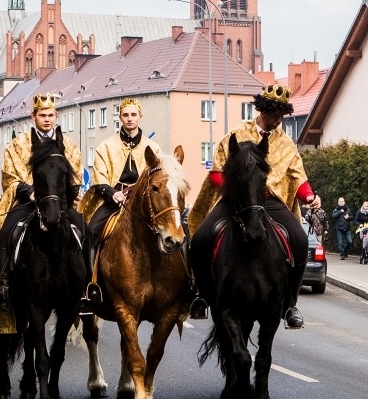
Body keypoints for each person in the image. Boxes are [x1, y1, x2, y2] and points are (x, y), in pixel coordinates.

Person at [188, 84, 321, 329]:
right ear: (262, 110)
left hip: (270, 201)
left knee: (300, 240)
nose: (277, 121)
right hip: (237, 199)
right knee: (200, 239)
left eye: (281, 117)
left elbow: (298, 177)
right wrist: (236, 184)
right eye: (273, 116)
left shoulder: (287, 143)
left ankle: (290, 304)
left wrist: (309, 196)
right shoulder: (237, 134)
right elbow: (217, 172)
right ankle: (202, 296)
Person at [78, 97, 207, 316]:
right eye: (125, 115)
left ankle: (191, 287)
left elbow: (161, 178)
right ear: (120, 118)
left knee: (181, 231)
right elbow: (99, 180)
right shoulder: (105, 147)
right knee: (91, 231)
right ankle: (90, 288)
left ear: (140, 117)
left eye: (133, 115)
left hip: (145, 200)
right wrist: (112, 193)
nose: (129, 119)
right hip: (114, 199)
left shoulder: (153, 147)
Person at [0, 92, 85, 322]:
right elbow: (10, 177)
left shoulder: (69, 145)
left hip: (59, 205)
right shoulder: (18, 145)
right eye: (42, 115)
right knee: (6, 229)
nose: (47, 119)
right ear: (33, 116)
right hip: (29, 202)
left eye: (51, 115)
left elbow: (75, 176)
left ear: (56, 116)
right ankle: (4, 284)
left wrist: (65, 194)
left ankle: (85, 286)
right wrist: (30, 192)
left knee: (83, 228)